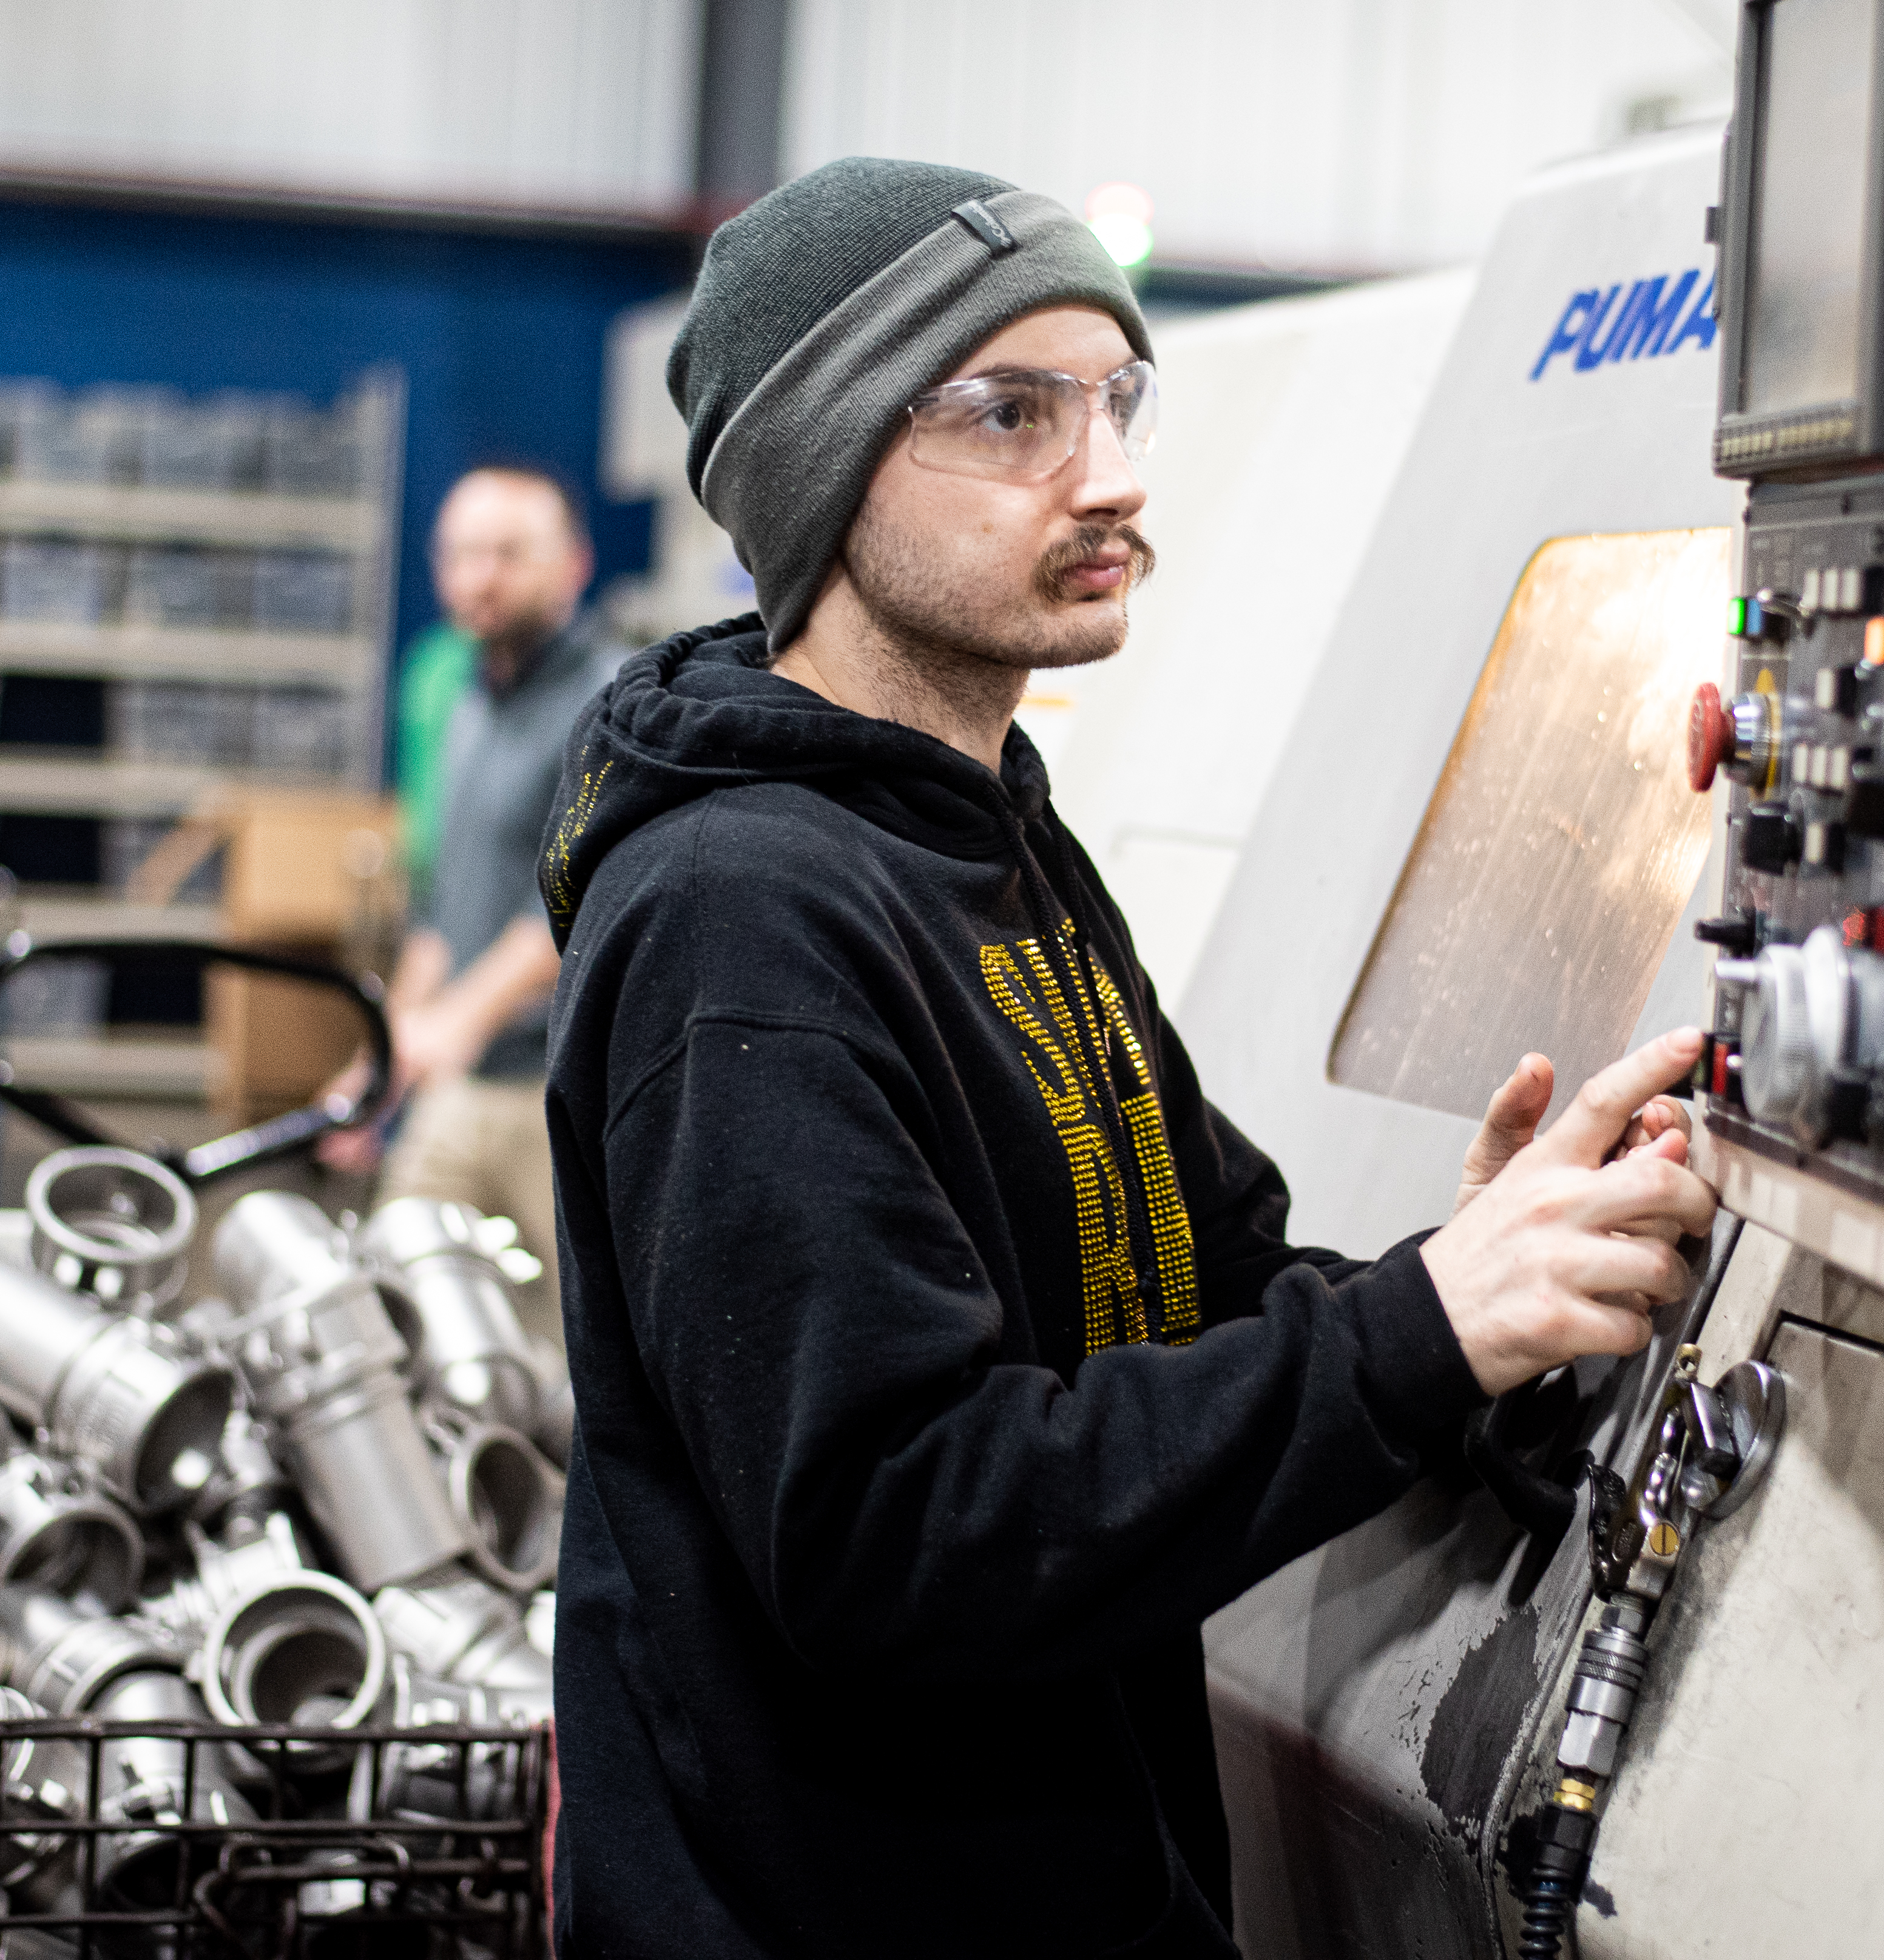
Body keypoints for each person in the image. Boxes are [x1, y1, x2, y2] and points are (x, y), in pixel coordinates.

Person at [536, 158, 1718, 1957]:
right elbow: (893, 1532)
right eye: (1012, 415)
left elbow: (1202, 1269)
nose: (1111, 474)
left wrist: (1483, 1282)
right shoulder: (739, 917)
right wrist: (1418, 1336)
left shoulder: (992, 838)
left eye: (1116, 397)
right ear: (824, 467)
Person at [339, 459, 620, 1317]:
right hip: (462, 1091)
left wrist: (458, 1021)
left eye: (506, 553)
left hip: (563, 1097)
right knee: (394, 1305)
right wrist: (383, 1055)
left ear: (573, 565)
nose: (477, 578)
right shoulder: (460, 702)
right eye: (459, 554)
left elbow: (577, 898)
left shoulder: (614, 701)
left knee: (585, 1346)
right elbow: (444, 914)